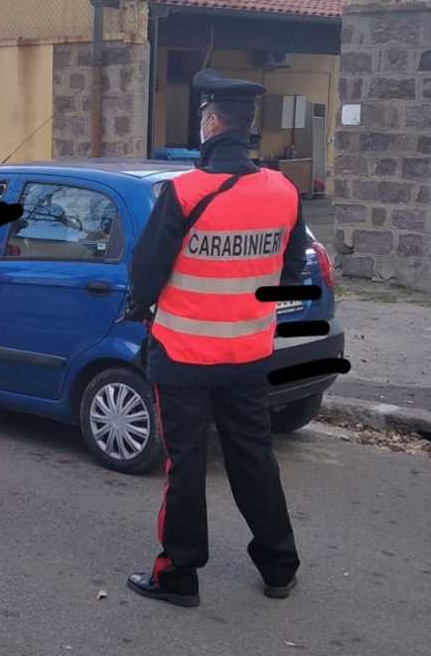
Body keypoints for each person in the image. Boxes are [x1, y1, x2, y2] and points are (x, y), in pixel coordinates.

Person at [124, 70, 309, 607]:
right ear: (247, 128)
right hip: (248, 355)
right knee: (255, 459)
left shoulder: (184, 191)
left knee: (185, 465)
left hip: (183, 356)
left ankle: (178, 574)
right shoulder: (282, 190)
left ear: (209, 123)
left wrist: (140, 310)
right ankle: (279, 568)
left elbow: (146, 273)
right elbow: (291, 274)